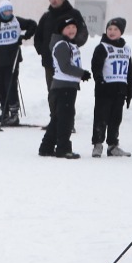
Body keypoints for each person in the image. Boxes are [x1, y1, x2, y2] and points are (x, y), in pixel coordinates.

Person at [0, 0, 36, 126]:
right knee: (0, 86)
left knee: (10, 85)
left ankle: (14, 114)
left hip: (12, 59)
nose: (8, 13)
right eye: (5, 11)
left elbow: (33, 24)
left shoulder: (17, 21)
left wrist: (24, 36)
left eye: (10, 10)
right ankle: (5, 112)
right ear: (0, 11)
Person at [38, 16, 89, 159]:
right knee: (66, 120)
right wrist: (82, 74)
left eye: (74, 27)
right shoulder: (61, 44)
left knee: (57, 119)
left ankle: (46, 147)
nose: (72, 30)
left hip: (68, 87)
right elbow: (65, 67)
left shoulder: (70, 44)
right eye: (68, 28)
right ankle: (63, 148)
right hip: (63, 87)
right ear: (62, 30)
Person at [89, 18, 132, 157]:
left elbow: (129, 71)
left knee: (116, 119)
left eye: (115, 29)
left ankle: (113, 145)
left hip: (120, 89)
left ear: (121, 32)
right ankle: (97, 144)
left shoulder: (126, 49)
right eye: (109, 29)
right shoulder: (102, 47)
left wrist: (129, 89)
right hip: (105, 90)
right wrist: (100, 81)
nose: (112, 32)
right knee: (101, 118)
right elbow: (95, 67)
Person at [34, 0, 88, 104]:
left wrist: (72, 44)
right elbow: (38, 36)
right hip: (49, 61)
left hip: (68, 61)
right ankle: (54, 118)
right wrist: (42, 50)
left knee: (67, 92)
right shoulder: (46, 16)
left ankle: (65, 118)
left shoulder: (74, 14)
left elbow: (83, 33)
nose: (53, 0)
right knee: (52, 91)